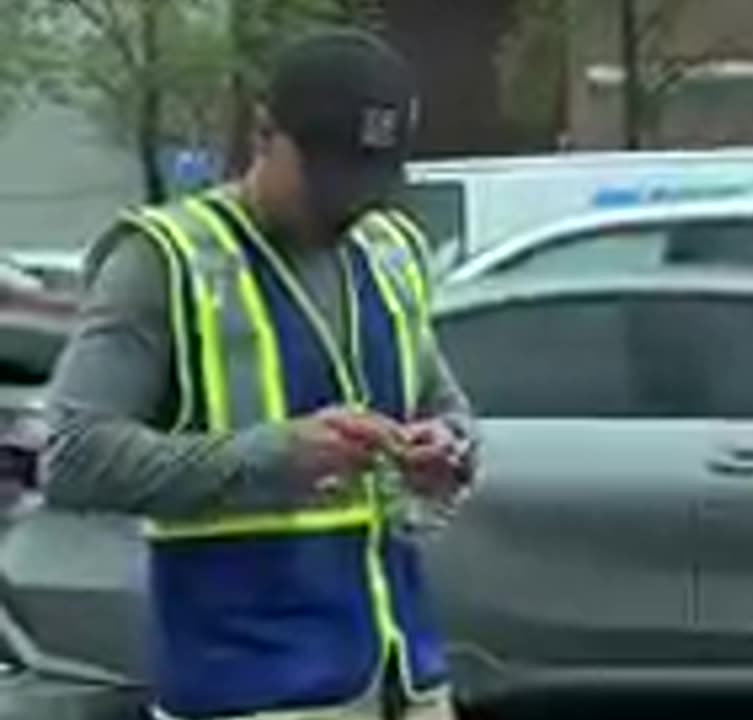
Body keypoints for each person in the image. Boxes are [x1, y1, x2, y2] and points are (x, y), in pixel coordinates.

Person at [40, 28, 476, 720]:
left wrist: (447, 449)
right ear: (263, 134)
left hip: (403, 680)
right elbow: (72, 457)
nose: (349, 202)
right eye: (327, 175)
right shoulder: (166, 261)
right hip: (248, 689)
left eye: (371, 178)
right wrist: (277, 454)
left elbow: (446, 407)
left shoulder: (391, 249)